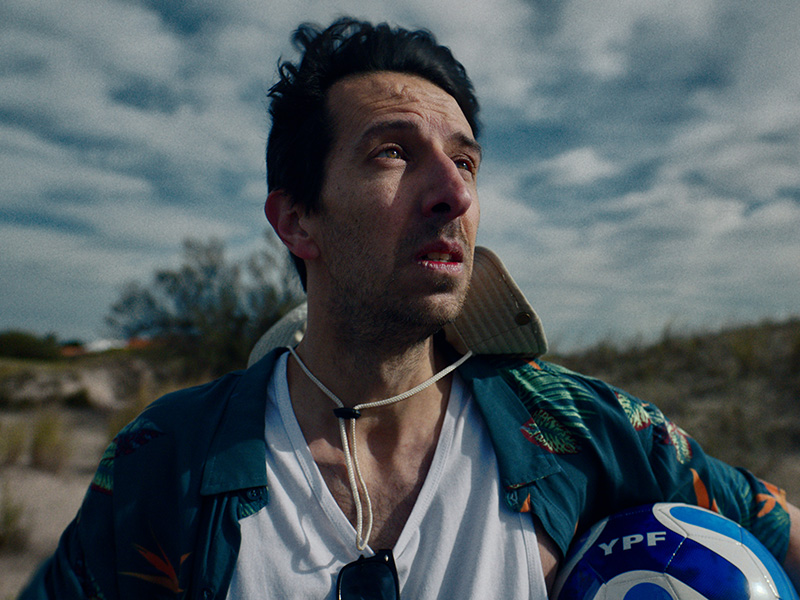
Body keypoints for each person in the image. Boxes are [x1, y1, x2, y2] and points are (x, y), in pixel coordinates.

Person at [20, 17, 800, 600]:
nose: (454, 192)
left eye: (465, 161)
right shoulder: (166, 460)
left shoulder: (582, 431)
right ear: (297, 220)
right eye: (393, 151)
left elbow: (777, 534)